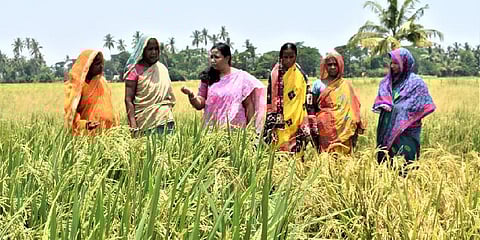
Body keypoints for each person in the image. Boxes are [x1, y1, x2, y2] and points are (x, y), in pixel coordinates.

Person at [180, 42, 266, 132]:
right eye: (211, 57)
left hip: (237, 130)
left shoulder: (241, 77)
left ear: (227, 58)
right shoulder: (207, 77)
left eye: (216, 57)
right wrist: (191, 96)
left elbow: (249, 105)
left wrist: (251, 130)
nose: (213, 60)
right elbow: (200, 104)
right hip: (212, 130)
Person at [374, 47, 436, 164]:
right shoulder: (387, 82)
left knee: (406, 164)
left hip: (407, 131)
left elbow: (422, 105)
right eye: (391, 63)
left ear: (406, 63)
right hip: (386, 128)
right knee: (387, 163)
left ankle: (408, 181)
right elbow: (381, 99)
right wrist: (384, 104)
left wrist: (402, 114)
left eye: (396, 63)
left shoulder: (417, 83)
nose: (392, 66)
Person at [262, 43, 312, 153]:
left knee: (297, 152)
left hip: (297, 119)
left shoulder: (300, 74)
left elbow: (307, 96)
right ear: (281, 57)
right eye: (285, 57)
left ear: (296, 56)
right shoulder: (275, 75)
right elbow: (270, 98)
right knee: (280, 150)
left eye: (291, 57)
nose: (288, 60)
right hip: (280, 120)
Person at [124, 35, 176, 136]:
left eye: (156, 49)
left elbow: (169, 96)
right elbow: (128, 99)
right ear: (143, 50)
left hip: (165, 119)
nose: (154, 52)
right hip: (145, 121)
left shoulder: (162, 69)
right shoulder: (134, 71)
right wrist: (133, 124)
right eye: (150, 49)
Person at [315, 51, 365, 154]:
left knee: (344, 160)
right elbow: (312, 107)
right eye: (329, 64)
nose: (332, 67)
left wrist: (355, 123)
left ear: (340, 66)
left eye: (335, 64)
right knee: (326, 159)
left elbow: (354, 107)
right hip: (325, 130)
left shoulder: (346, 85)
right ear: (325, 66)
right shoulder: (318, 84)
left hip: (345, 128)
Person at [64, 50, 119, 135]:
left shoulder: (102, 82)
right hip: (88, 133)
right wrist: (85, 124)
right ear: (87, 66)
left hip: (109, 132)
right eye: (97, 64)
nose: (101, 67)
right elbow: (71, 113)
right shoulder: (76, 87)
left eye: (102, 63)